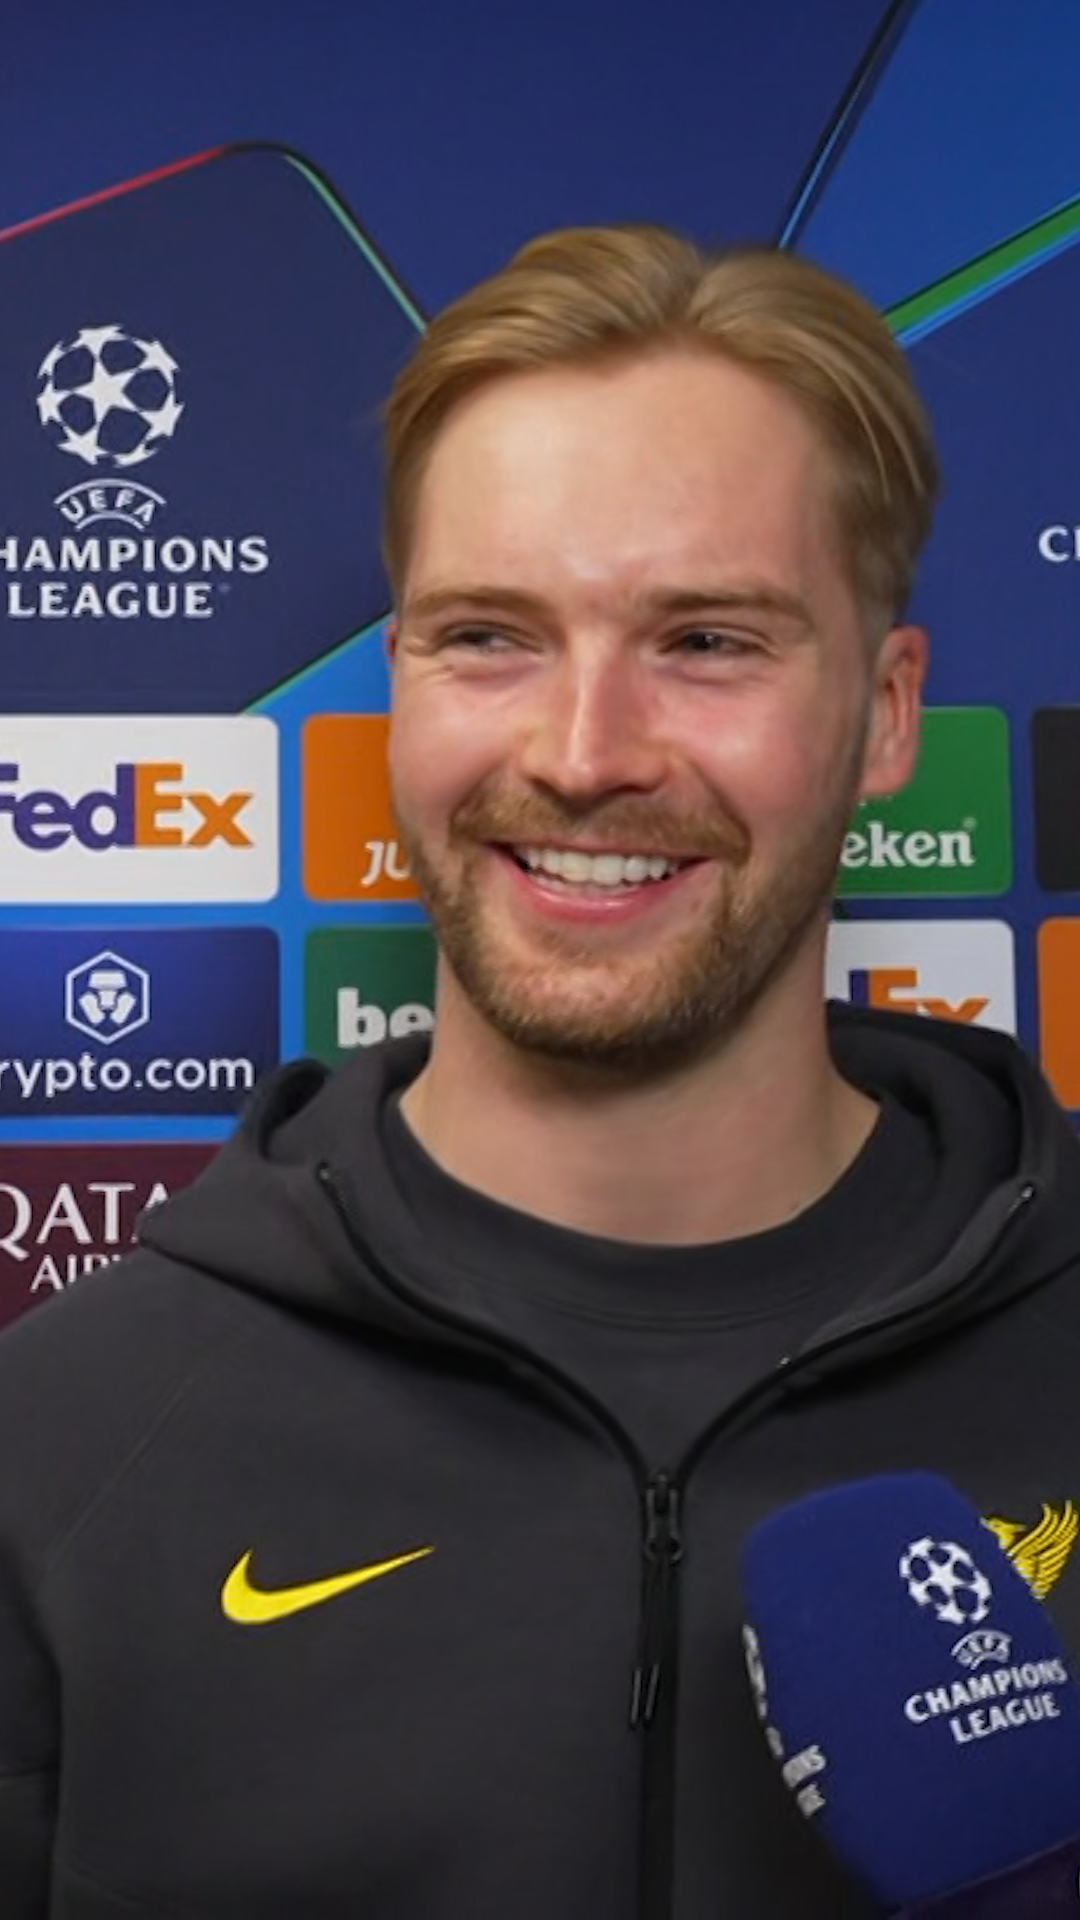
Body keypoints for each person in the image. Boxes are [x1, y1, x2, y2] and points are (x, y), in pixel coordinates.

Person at [1, 225, 1078, 1920]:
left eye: (706, 641)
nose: (583, 756)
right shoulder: (62, 1446)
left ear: (885, 717)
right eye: (490, 636)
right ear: (399, 689)